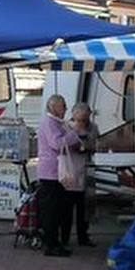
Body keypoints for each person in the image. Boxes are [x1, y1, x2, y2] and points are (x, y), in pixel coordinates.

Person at [35, 94, 84, 257]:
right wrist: (73, 133)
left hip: (56, 172)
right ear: (53, 107)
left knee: (58, 209)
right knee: (51, 210)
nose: (65, 109)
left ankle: (55, 242)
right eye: (62, 106)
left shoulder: (57, 123)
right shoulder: (49, 123)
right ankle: (51, 244)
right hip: (51, 172)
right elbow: (56, 143)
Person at [64, 102, 100, 247]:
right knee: (66, 208)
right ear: (74, 116)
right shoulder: (67, 127)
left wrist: (89, 146)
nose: (83, 122)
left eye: (86, 118)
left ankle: (83, 236)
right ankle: (64, 237)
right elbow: (64, 145)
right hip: (70, 169)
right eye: (80, 119)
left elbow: (96, 144)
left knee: (85, 208)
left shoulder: (93, 127)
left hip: (86, 170)